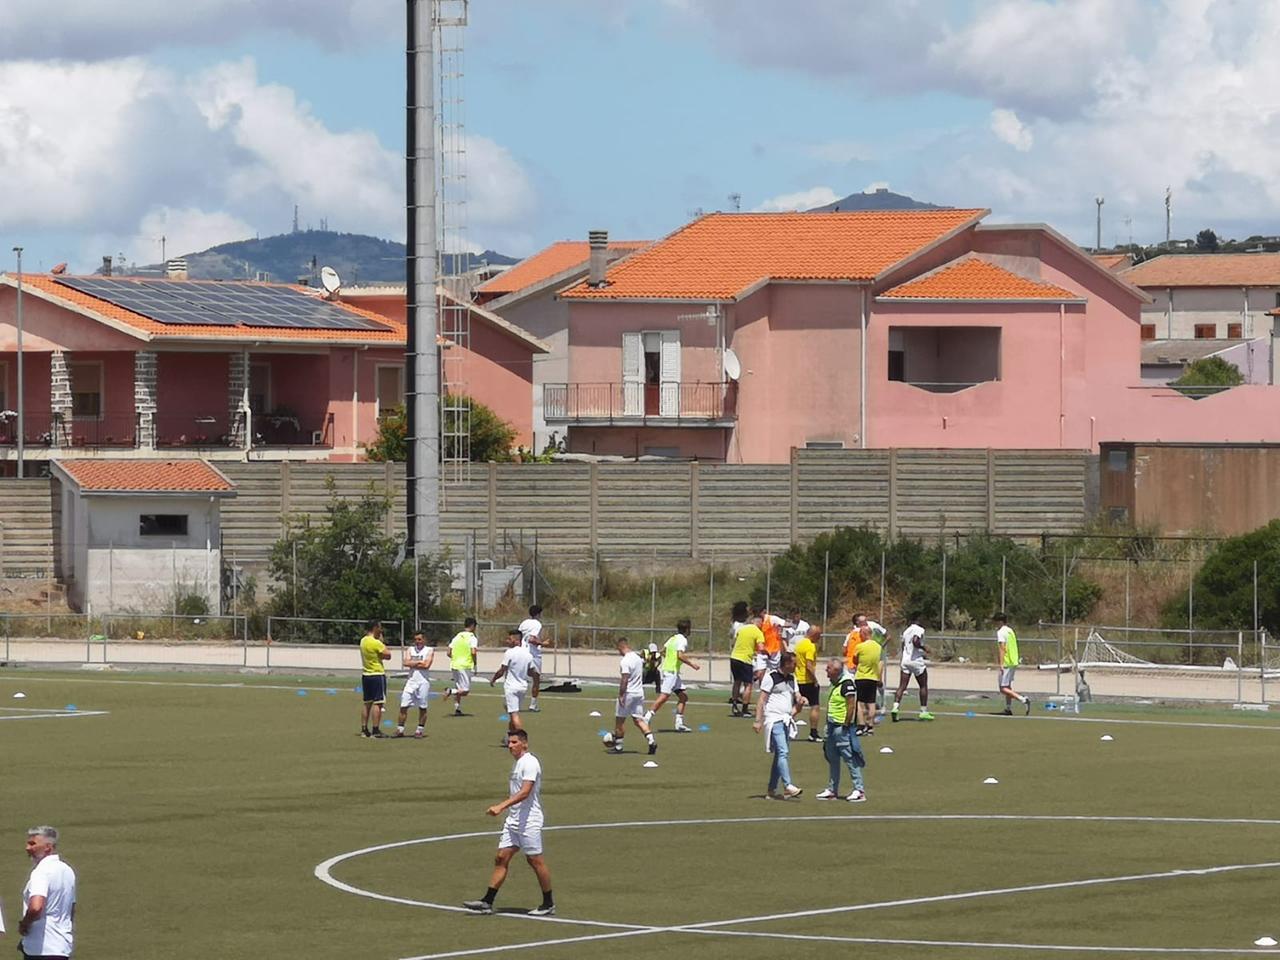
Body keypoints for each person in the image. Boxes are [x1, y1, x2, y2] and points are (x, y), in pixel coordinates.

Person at [462, 730, 554, 917]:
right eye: (509, 743)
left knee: (535, 860)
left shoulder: (530, 763)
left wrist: (501, 806)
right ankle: (487, 902)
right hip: (514, 820)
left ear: (524, 744)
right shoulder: (518, 763)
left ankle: (548, 903)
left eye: (514, 742)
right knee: (501, 857)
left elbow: (525, 792)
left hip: (529, 820)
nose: (510, 746)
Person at [19, 825, 76, 960]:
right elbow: (71, 909)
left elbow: (36, 907)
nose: (27, 848)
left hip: (40, 949)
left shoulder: (41, 872)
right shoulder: (67, 870)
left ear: (48, 847)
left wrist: (24, 925)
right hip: (61, 946)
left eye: (32, 844)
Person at [753, 650, 804, 799]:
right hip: (774, 720)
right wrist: (758, 720)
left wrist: (801, 699)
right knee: (783, 752)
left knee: (779, 755)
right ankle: (788, 786)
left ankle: (771, 790)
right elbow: (762, 700)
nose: (796, 666)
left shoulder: (792, 678)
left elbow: (797, 694)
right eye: (794, 663)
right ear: (786, 663)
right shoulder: (771, 677)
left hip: (786, 719)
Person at [815, 659, 867, 802]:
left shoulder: (847, 684)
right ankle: (832, 789)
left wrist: (846, 724)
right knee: (832, 757)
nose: (826, 670)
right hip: (831, 725)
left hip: (841, 727)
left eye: (829, 668)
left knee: (849, 758)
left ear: (836, 670)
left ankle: (859, 790)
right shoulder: (834, 683)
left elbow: (851, 705)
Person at [603, 638, 658, 755]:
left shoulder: (625, 661)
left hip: (629, 693)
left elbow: (625, 678)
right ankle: (651, 741)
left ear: (620, 647)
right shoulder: (637, 658)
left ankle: (618, 747)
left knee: (620, 721)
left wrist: (621, 695)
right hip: (639, 693)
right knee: (639, 720)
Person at [645, 618, 700, 732]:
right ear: (687, 629)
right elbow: (680, 655)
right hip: (671, 672)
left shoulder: (672, 638)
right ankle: (646, 717)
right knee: (664, 696)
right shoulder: (682, 640)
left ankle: (679, 724)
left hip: (670, 671)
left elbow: (663, 651)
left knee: (683, 697)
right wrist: (692, 664)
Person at [491, 630, 536, 742]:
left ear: (516, 640)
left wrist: (494, 679)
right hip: (523, 687)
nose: (507, 641)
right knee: (512, 712)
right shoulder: (528, 655)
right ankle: (510, 737)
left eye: (510, 639)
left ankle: (521, 739)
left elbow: (502, 670)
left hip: (511, 687)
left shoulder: (509, 653)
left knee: (514, 714)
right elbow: (531, 672)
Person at [891, 614, 933, 722]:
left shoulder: (906, 631)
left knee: (902, 686)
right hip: (916, 661)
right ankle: (923, 711)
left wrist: (904, 656)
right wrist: (924, 648)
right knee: (923, 685)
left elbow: (903, 646)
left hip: (905, 660)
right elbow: (915, 641)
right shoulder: (919, 629)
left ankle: (895, 707)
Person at [395, 632, 434, 738]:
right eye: (416, 639)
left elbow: (426, 665)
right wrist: (418, 662)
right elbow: (405, 662)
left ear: (424, 640)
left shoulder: (429, 650)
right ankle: (400, 729)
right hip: (411, 682)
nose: (417, 642)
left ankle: (419, 730)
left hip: (423, 682)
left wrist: (412, 663)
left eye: (419, 639)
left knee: (422, 707)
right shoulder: (410, 649)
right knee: (403, 705)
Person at [359, 620, 392, 738]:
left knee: (367, 703)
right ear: (375, 628)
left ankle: (364, 729)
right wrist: (381, 641)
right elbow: (388, 655)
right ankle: (375, 730)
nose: (381, 630)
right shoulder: (376, 643)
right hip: (377, 674)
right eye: (379, 627)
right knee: (378, 703)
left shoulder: (363, 641)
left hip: (366, 674)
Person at [729, 601, 761, 717]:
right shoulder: (739, 626)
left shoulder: (742, 624)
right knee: (748, 683)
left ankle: (735, 704)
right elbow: (735, 639)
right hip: (744, 656)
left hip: (737, 656)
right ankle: (744, 708)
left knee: (738, 681)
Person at [995, 612, 1031, 715]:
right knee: (1007, 686)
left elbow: (1002, 648)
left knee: (1003, 688)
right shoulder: (1010, 630)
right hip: (1013, 661)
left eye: (996, 621)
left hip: (1007, 662)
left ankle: (1022, 699)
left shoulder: (1001, 632)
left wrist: (1001, 663)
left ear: (1000, 621)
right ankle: (1008, 708)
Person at [443, 617, 480, 716]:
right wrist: (475, 663)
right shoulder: (472, 638)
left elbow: (448, 652)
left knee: (459, 688)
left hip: (455, 665)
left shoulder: (457, 636)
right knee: (465, 690)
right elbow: (473, 652)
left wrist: (456, 658)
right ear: (473, 626)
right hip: (465, 665)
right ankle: (450, 691)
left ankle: (457, 709)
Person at [793, 623, 822, 741]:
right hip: (808, 680)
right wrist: (815, 680)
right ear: (813, 634)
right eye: (818, 635)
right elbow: (809, 665)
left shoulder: (799, 644)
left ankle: (785, 726)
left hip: (798, 679)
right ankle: (813, 733)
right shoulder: (810, 646)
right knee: (815, 706)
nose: (819, 638)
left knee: (796, 706)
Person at [851, 624, 882, 736]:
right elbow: (879, 662)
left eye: (861, 634)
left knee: (860, 702)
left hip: (861, 676)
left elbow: (855, 660)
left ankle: (861, 725)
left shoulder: (860, 646)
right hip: (873, 677)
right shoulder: (878, 647)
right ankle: (870, 726)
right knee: (871, 702)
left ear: (864, 634)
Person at [518, 605, 548, 711]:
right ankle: (533, 704)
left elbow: (518, 637)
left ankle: (516, 703)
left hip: (522, 653)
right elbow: (532, 639)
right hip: (533, 655)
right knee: (536, 679)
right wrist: (543, 643)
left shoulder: (524, 623)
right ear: (538, 614)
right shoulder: (537, 624)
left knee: (520, 678)